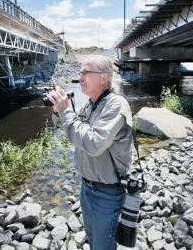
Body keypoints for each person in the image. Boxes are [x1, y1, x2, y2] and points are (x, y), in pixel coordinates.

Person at [47, 56, 135, 250]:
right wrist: (58, 111)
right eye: (80, 72)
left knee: (103, 246)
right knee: (94, 241)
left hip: (107, 193)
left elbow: (94, 143)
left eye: (86, 72)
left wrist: (66, 112)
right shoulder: (91, 104)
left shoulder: (116, 105)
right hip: (86, 188)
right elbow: (72, 128)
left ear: (104, 78)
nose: (80, 77)